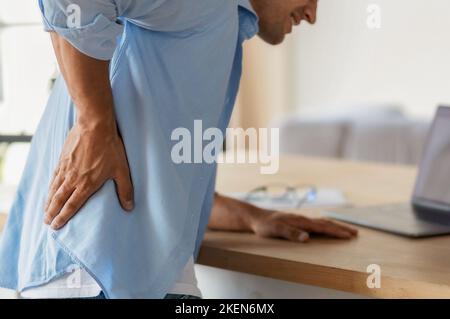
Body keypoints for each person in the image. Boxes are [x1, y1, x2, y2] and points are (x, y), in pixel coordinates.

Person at [0, 0, 356, 299]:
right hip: (103, 276)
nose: (312, 13)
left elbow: (156, 184)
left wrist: (252, 217)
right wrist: (94, 122)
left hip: (90, 273)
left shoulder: (209, 21)